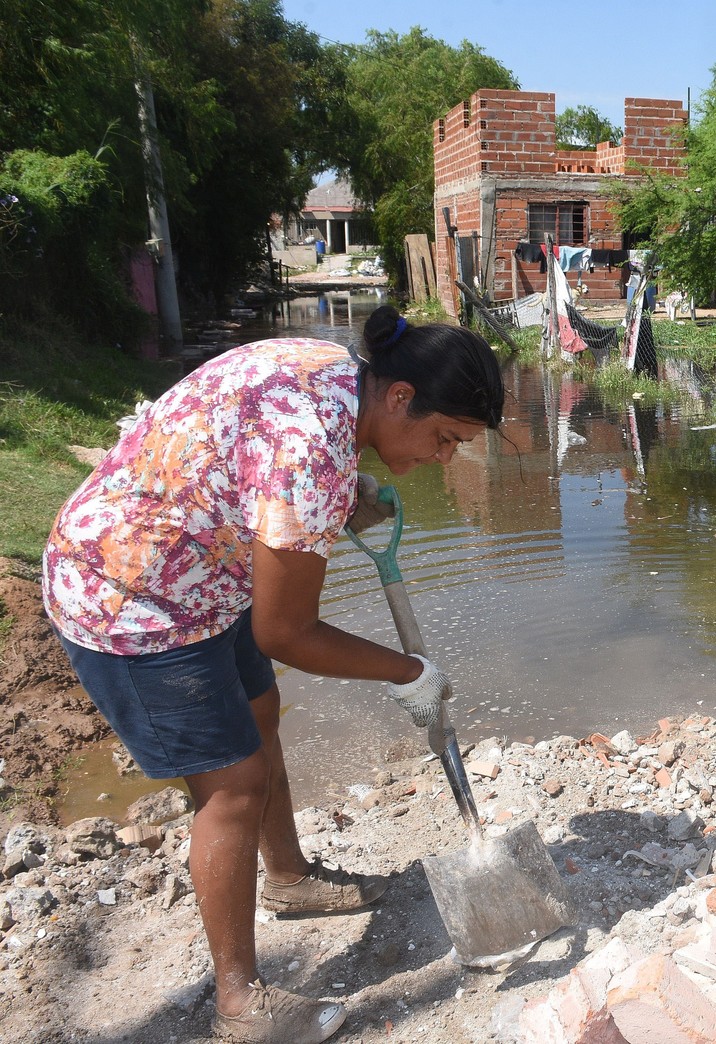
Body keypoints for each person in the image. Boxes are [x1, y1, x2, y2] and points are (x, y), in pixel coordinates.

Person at [42, 305, 504, 1043]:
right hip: (131, 595)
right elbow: (286, 630)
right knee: (232, 786)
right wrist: (406, 671)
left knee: (261, 720)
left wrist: (342, 498)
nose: (443, 459)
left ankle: (289, 882)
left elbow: (252, 454)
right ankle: (239, 1004)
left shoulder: (327, 370)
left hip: (203, 566)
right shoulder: (313, 452)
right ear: (399, 397)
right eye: (444, 438)